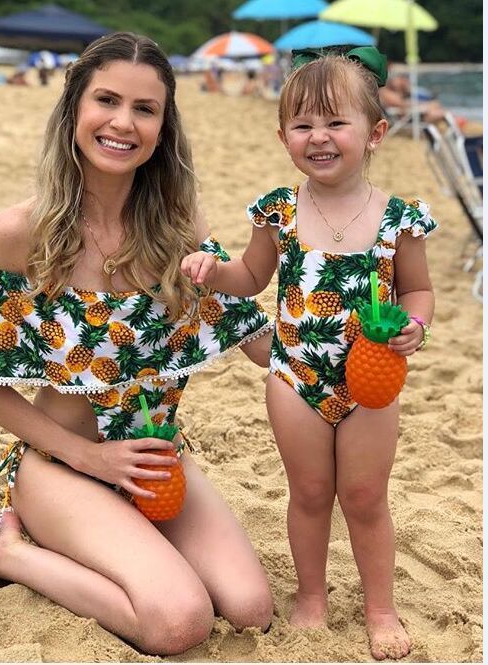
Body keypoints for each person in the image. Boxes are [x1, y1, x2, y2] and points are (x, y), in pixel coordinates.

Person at [0, 32, 274, 656]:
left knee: (252, 609)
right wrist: (89, 460)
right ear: (73, 109)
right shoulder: (22, 233)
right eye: (107, 101)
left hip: (153, 461)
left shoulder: (181, 229)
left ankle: (130, 549)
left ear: (163, 127)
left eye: (145, 109)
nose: (123, 123)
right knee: (179, 624)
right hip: (63, 466)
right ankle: (3, 550)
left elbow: (253, 334)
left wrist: (358, 333)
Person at [181, 46, 436, 661]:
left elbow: (420, 290)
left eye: (335, 122)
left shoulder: (397, 220)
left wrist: (416, 327)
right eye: (302, 125)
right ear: (283, 136)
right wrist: (211, 271)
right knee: (312, 491)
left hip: (371, 381)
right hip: (294, 376)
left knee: (367, 497)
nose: (318, 137)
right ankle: (312, 597)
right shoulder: (279, 211)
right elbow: (251, 278)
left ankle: (381, 608)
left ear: (374, 133)